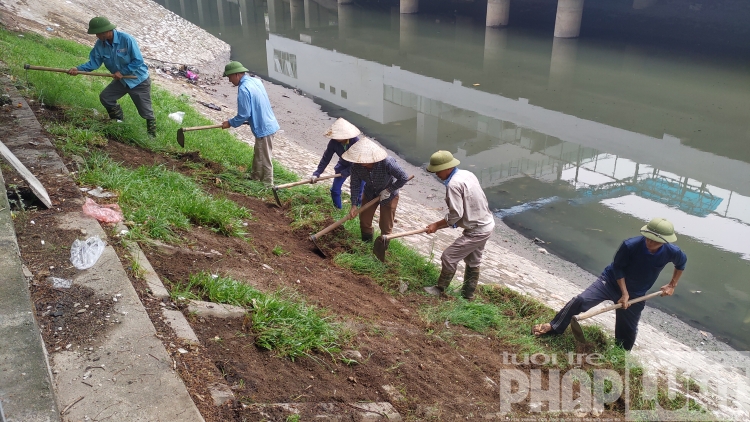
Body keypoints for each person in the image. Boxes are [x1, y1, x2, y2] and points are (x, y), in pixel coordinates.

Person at [532, 217, 687, 351]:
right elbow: (618, 268)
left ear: (665, 241)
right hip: (611, 281)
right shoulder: (630, 245)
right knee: (580, 300)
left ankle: (621, 353)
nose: (650, 242)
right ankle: (554, 326)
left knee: (628, 330)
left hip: (637, 293)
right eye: (648, 237)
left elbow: (681, 264)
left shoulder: (673, 252)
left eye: (655, 240)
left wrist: (672, 285)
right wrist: (624, 294)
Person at [422, 151, 495, 300]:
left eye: (438, 170)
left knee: (448, 256)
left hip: (477, 230)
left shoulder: (453, 185)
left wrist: (436, 224)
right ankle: (468, 295)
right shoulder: (467, 174)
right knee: (474, 260)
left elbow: (456, 214)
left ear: (448, 168)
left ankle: (440, 289)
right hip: (486, 223)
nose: (436, 174)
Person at [68, 16, 156, 137]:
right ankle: (118, 123)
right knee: (106, 97)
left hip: (138, 80)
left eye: (98, 34)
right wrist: (78, 69)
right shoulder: (100, 44)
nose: (96, 36)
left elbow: (138, 61)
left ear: (106, 31)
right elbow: (94, 62)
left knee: (146, 111)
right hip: (121, 81)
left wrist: (123, 72)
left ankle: (152, 136)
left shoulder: (127, 39)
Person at [221, 61, 280, 185]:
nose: (229, 80)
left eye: (229, 77)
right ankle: (255, 178)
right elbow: (257, 103)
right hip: (269, 121)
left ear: (236, 74)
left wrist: (230, 123)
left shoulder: (243, 89)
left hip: (263, 127)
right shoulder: (256, 81)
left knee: (265, 159)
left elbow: (244, 114)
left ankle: (268, 185)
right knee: (259, 153)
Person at [343, 138, 409, 242]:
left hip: (389, 195)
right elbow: (355, 185)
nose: (361, 161)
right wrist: (354, 205)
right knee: (364, 221)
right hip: (370, 193)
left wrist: (389, 190)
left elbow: (404, 177)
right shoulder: (356, 167)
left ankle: (382, 248)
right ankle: (366, 244)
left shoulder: (387, 162)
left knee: (385, 225)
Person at [310, 118, 360, 209]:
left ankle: (357, 212)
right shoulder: (333, 142)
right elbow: (326, 158)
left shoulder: (355, 141)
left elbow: (359, 161)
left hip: (359, 166)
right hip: (343, 164)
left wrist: (347, 172)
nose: (335, 137)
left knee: (358, 193)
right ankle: (338, 210)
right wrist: (317, 173)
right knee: (335, 190)